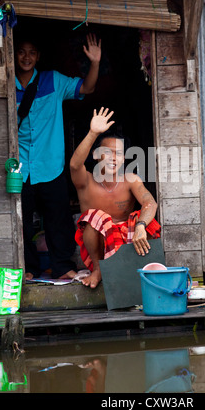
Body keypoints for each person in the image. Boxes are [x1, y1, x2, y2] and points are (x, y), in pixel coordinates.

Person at [15, 33, 102, 280]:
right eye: (21, 51)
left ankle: (63, 266)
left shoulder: (52, 80)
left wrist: (94, 63)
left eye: (32, 52)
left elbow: (87, 87)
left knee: (58, 221)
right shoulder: (4, 85)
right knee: (21, 223)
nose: (27, 57)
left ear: (39, 56)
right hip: (19, 169)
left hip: (50, 165)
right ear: (13, 54)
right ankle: (29, 268)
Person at [70, 107, 161, 289]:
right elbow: (74, 164)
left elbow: (149, 202)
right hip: (99, 248)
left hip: (130, 245)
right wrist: (93, 132)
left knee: (145, 220)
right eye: (107, 152)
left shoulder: (130, 179)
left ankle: (144, 270)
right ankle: (98, 270)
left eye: (118, 153)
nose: (113, 158)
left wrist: (141, 226)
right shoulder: (86, 181)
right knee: (94, 217)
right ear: (96, 155)